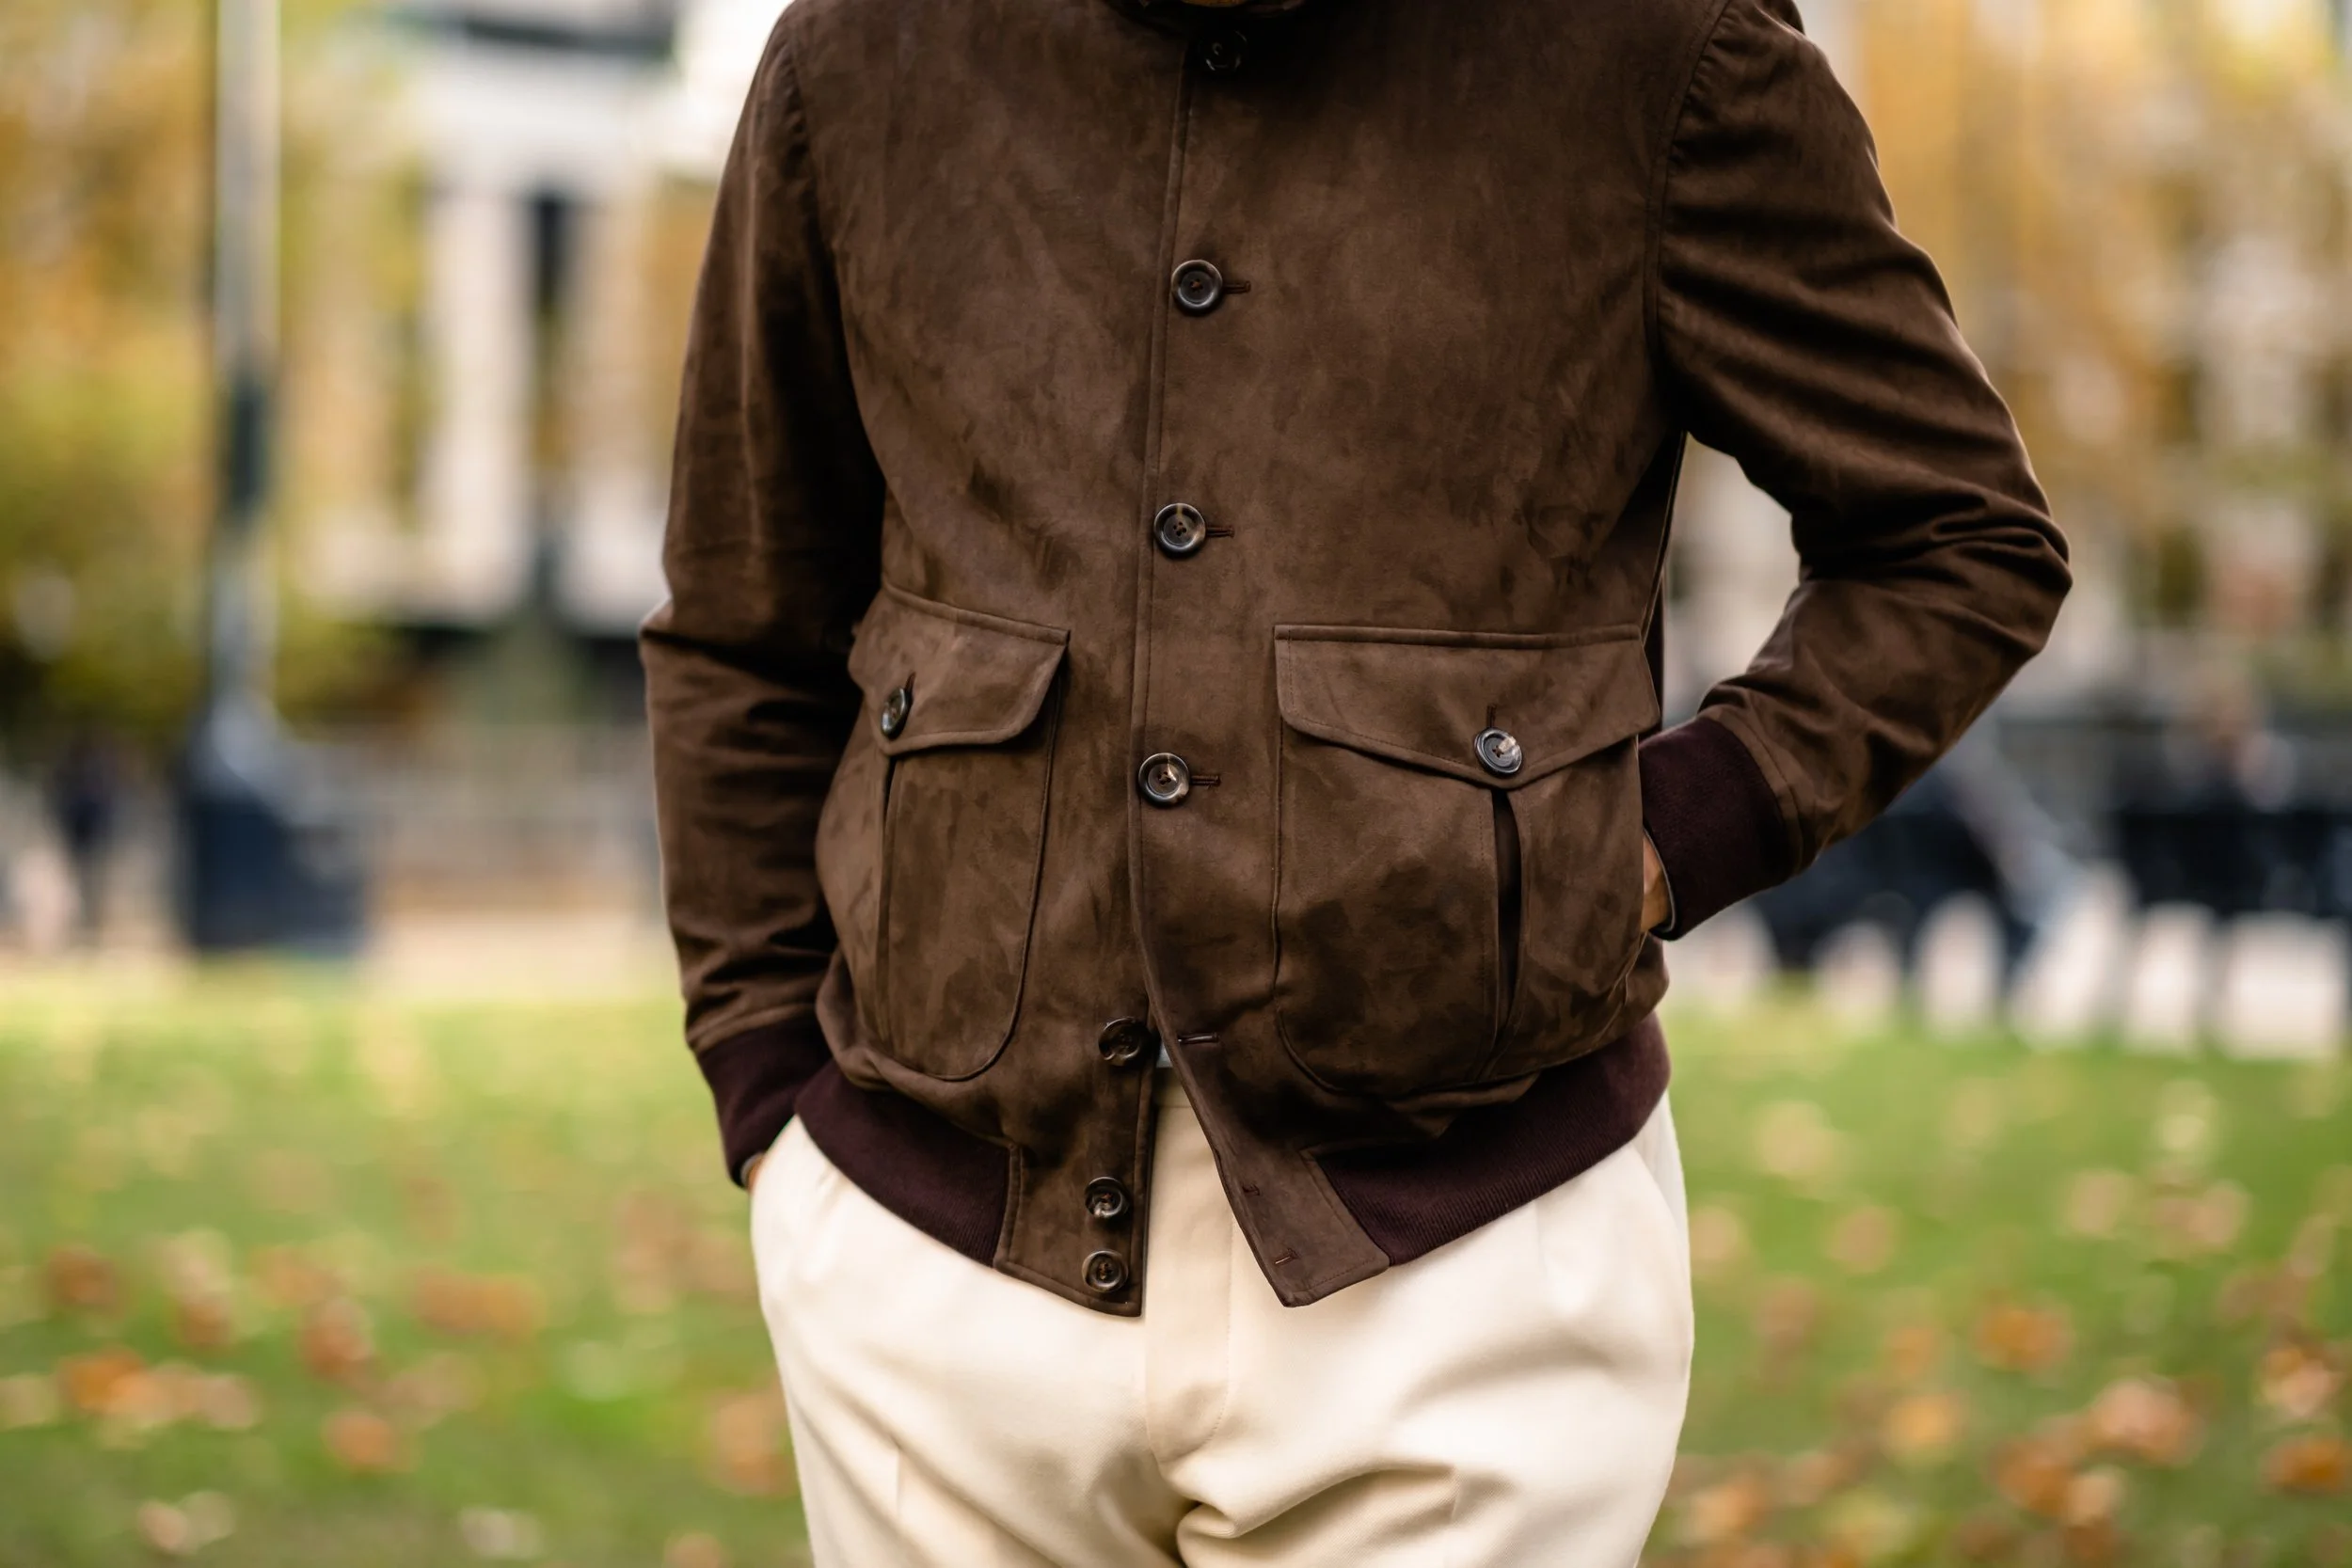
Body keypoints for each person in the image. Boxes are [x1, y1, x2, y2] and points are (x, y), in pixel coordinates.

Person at [643, 0, 2070, 1560]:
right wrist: (772, 1096)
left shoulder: (1663, 46)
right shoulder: (863, 50)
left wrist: (1656, 848)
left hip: (1474, 1268)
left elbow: (1957, 539)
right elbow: (743, 622)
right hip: (926, 1256)